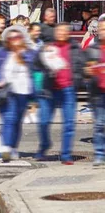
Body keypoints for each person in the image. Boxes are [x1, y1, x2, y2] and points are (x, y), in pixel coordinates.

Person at [37, 23, 85, 164]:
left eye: (64, 31)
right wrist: (42, 55)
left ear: (68, 33)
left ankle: (65, 154)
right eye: (58, 31)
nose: (61, 34)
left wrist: (77, 81)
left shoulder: (75, 48)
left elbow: (81, 66)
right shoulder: (48, 47)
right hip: (49, 89)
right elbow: (36, 63)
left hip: (68, 89)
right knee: (44, 122)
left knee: (69, 124)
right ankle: (44, 145)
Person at [0, 26, 38, 162]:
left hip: (24, 93)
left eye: (17, 37)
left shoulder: (30, 54)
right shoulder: (1, 53)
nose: (14, 40)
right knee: (8, 120)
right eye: (11, 38)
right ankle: (6, 149)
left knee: (16, 122)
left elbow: (37, 71)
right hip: (7, 92)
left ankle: (13, 148)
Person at [85, 20, 105, 166]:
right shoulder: (93, 48)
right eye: (101, 28)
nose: (102, 30)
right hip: (98, 92)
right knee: (99, 124)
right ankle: (99, 154)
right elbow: (86, 69)